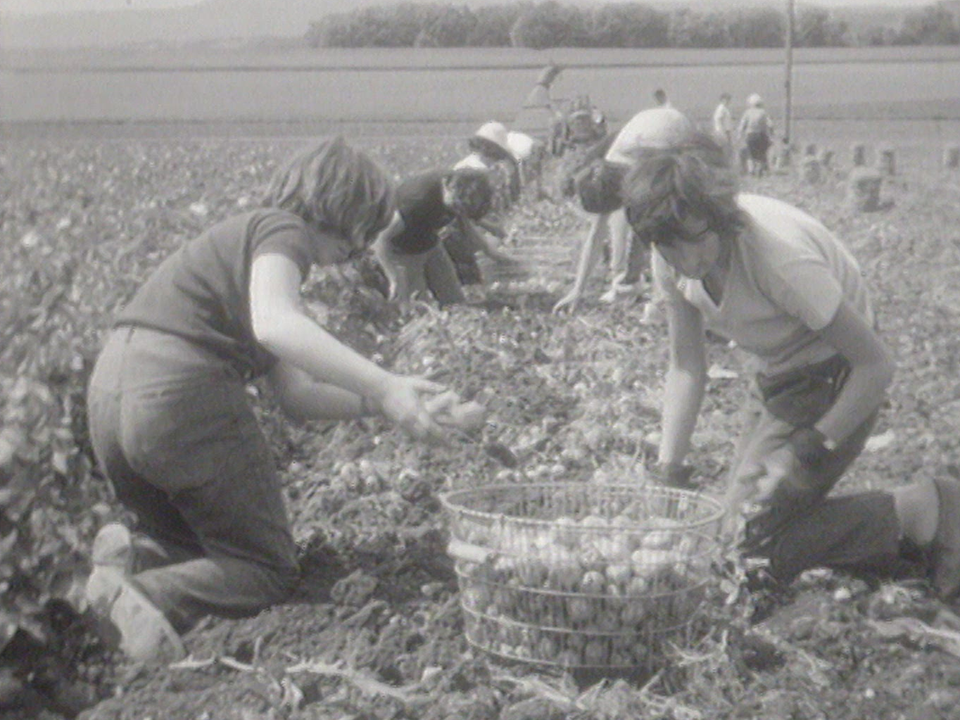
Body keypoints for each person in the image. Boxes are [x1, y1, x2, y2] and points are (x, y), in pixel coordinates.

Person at [84, 137, 465, 663]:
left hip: (110, 391)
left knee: (200, 551)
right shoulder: (280, 231)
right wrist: (383, 384)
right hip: (178, 393)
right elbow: (276, 324)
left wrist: (381, 402)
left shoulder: (245, 253)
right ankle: (150, 596)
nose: (353, 255)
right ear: (343, 211)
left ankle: (131, 570)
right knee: (267, 568)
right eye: (360, 236)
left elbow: (298, 395)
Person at [620, 131, 960, 600]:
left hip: (837, 374)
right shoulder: (671, 251)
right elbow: (686, 368)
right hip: (778, 372)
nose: (686, 260)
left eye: (694, 241)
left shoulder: (777, 259)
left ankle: (922, 510)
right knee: (730, 529)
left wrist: (809, 448)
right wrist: (667, 471)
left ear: (718, 218)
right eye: (668, 247)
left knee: (745, 546)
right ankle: (904, 515)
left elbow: (877, 366)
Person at [552, 106, 695, 313]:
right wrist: (577, 290)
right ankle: (639, 285)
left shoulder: (647, 171)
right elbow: (596, 234)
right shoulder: (608, 168)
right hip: (649, 128)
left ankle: (674, 296)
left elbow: (653, 234)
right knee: (641, 222)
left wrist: (660, 297)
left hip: (676, 134)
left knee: (668, 224)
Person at [372, 166, 514, 304]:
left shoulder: (457, 187)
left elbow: (463, 218)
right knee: (417, 305)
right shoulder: (416, 201)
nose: (458, 211)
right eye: (457, 207)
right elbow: (381, 238)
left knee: (454, 299)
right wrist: (394, 277)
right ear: (449, 188)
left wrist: (491, 252)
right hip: (401, 250)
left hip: (429, 239)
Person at [738, 93, 775, 177]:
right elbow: (770, 125)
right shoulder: (763, 112)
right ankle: (760, 169)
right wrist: (772, 135)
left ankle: (751, 171)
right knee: (761, 154)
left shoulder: (747, 113)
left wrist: (739, 136)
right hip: (761, 135)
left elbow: (742, 126)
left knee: (750, 155)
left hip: (750, 136)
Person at [712, 92, 734, 161]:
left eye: (729, 99)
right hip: (722, 132)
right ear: (722, 100)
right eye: (727, 99)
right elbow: (718, 119)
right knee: (725, 149)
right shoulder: (721, 108)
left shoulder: (725, 109)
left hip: (726, 131)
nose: (728, 101)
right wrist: (722, 132)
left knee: (728, 149)